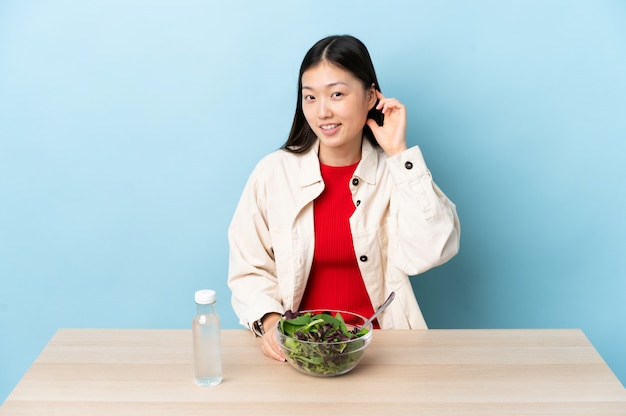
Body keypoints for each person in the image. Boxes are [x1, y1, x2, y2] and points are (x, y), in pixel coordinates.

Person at [227, 35, 460, 361]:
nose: (322, 112)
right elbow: (248, 267)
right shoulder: (272, 173)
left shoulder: (397, 172)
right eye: (310, 97)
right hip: (299, 352)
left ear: (370, 96)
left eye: (337, 94)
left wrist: (398, 152)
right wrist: (270, 325)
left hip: (384, 351)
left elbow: (432, 251)